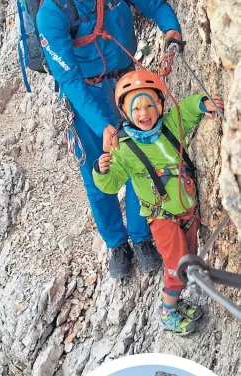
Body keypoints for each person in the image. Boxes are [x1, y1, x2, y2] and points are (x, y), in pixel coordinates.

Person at [36, 0, 182, 278]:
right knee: (97, 172)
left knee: (139, 159)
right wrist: (103, 124)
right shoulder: (51, 12)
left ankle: (140, 235)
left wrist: (171, 33)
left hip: (129, 88)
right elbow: (68, 79)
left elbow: (156, 4)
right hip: (85, 96)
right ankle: (117, 246)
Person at [93, 69, 224, 334]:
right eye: (136, 108)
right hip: (163, 219)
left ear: (160, 105)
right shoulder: (125, 149)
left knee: (188, 259)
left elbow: (187, 109)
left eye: (149, 105)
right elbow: (112, 183)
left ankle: (175, 303)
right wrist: (102, 169)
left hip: (188, 211)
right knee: (177, 267)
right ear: (126, 113)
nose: (144, 113)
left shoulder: (170, 125)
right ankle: (168, 313)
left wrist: (202, 103)